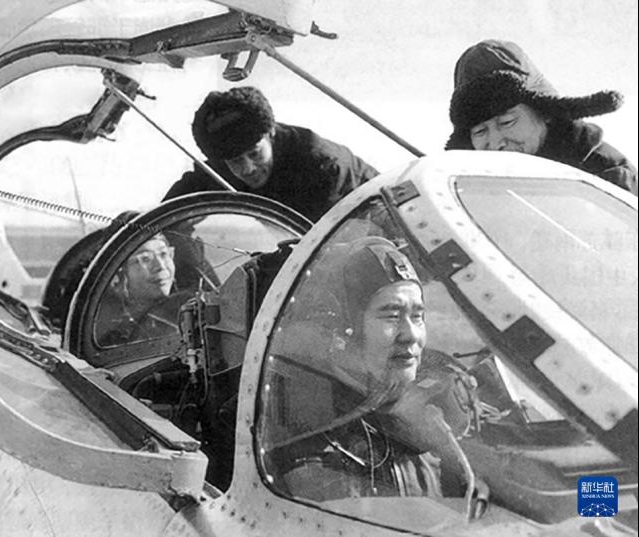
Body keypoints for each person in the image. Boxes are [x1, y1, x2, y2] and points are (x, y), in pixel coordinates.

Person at [275, 237, 473, 500]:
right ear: (348, 329)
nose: (411, 335)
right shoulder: (309, 425)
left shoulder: (432, 412)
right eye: (392, 315)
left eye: (417, 316)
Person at [445, 39, 637, 195]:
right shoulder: (469, 193)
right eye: (480, 131)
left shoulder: (609, 183)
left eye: (506, 122)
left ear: (544, 113)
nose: (495, 144)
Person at [163, 86, 379, 221]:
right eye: (235, 161)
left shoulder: (321, 164)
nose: (247, 169)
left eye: (255, 154)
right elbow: (181, 198)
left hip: (370, 219)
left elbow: (318, 248)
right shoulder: (224, 158)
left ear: (271, 133)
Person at [97, 232, 189, 346]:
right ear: (119, 272)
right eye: (145, 259)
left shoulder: (185, 305)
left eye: (164, 254)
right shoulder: (108, 332)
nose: (160, 266)